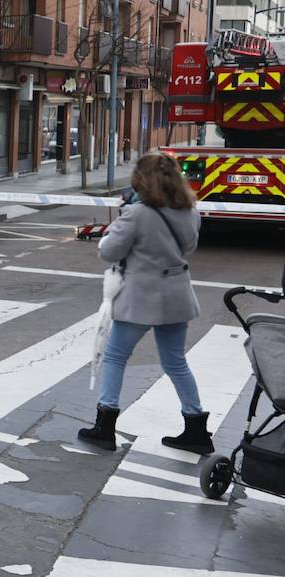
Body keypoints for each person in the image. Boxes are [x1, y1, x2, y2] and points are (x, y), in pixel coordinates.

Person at [78, 152, 212, 453]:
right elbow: (189, 247)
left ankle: (105, 425)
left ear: (142, 180)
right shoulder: (190, 210)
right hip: (177, 295)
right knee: (176, 361)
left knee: (115, 356)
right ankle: (196, 428)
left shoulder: (137, 214)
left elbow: (109, 251)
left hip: (140, 298)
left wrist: (120, 222)